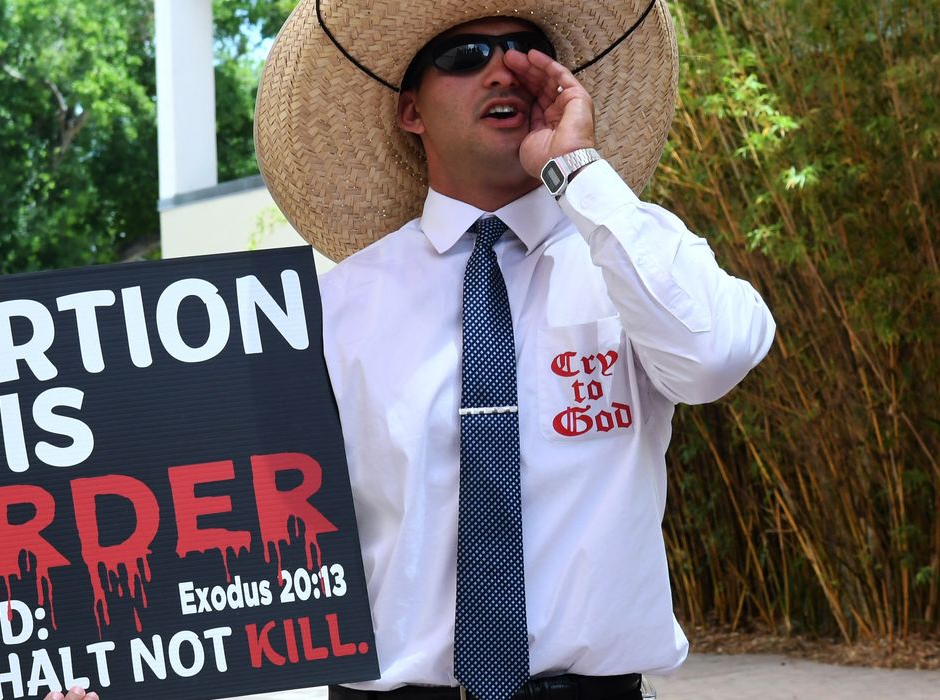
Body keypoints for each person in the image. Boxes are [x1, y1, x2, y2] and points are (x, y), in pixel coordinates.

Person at [253, 1, 774, 699]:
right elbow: (249, 525)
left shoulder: (630, 254)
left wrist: (580, 172)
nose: (502, 68)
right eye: (464, 57)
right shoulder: (333, 308)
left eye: (525, 50)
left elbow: (712, 359)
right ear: (410, 112)